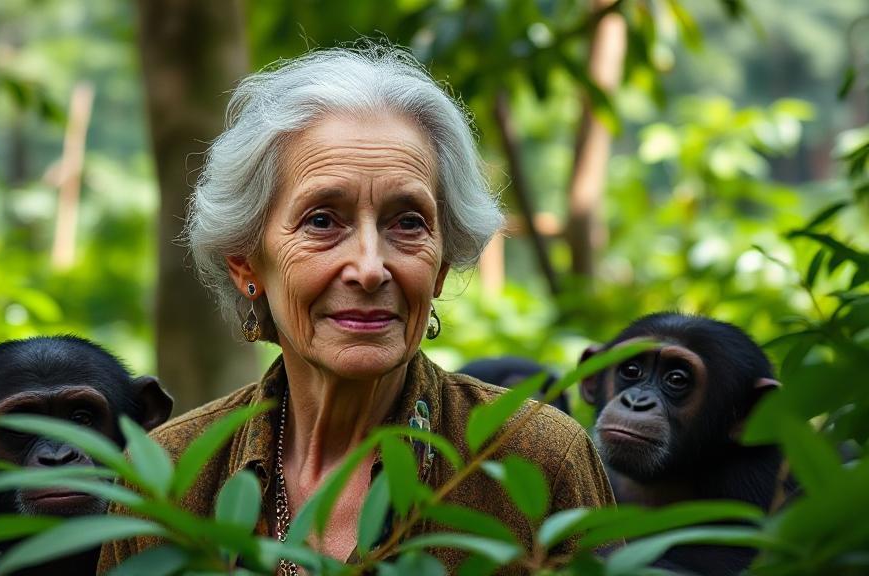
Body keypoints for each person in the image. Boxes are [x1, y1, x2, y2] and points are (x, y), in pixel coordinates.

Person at [98, 45, 613, 573]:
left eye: (408, 222)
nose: (370, 267)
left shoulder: (537, 458)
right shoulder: (167, 478)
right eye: (322, 221)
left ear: (439, 268)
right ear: (247, 264)